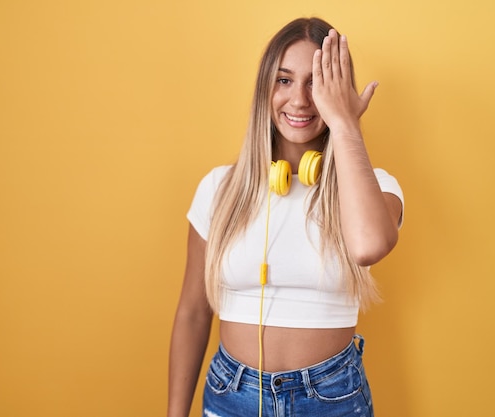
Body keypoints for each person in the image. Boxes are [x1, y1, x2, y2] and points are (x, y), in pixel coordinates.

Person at [168, 17, 404, 417]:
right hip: (231, 394)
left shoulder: (374, 187)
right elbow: (192, 312)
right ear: (265, 90)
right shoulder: (218, 188)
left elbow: (368, 247)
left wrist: (346, 123)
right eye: (284, 81)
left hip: (332, 397)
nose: (299, 100)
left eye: (317, 83)